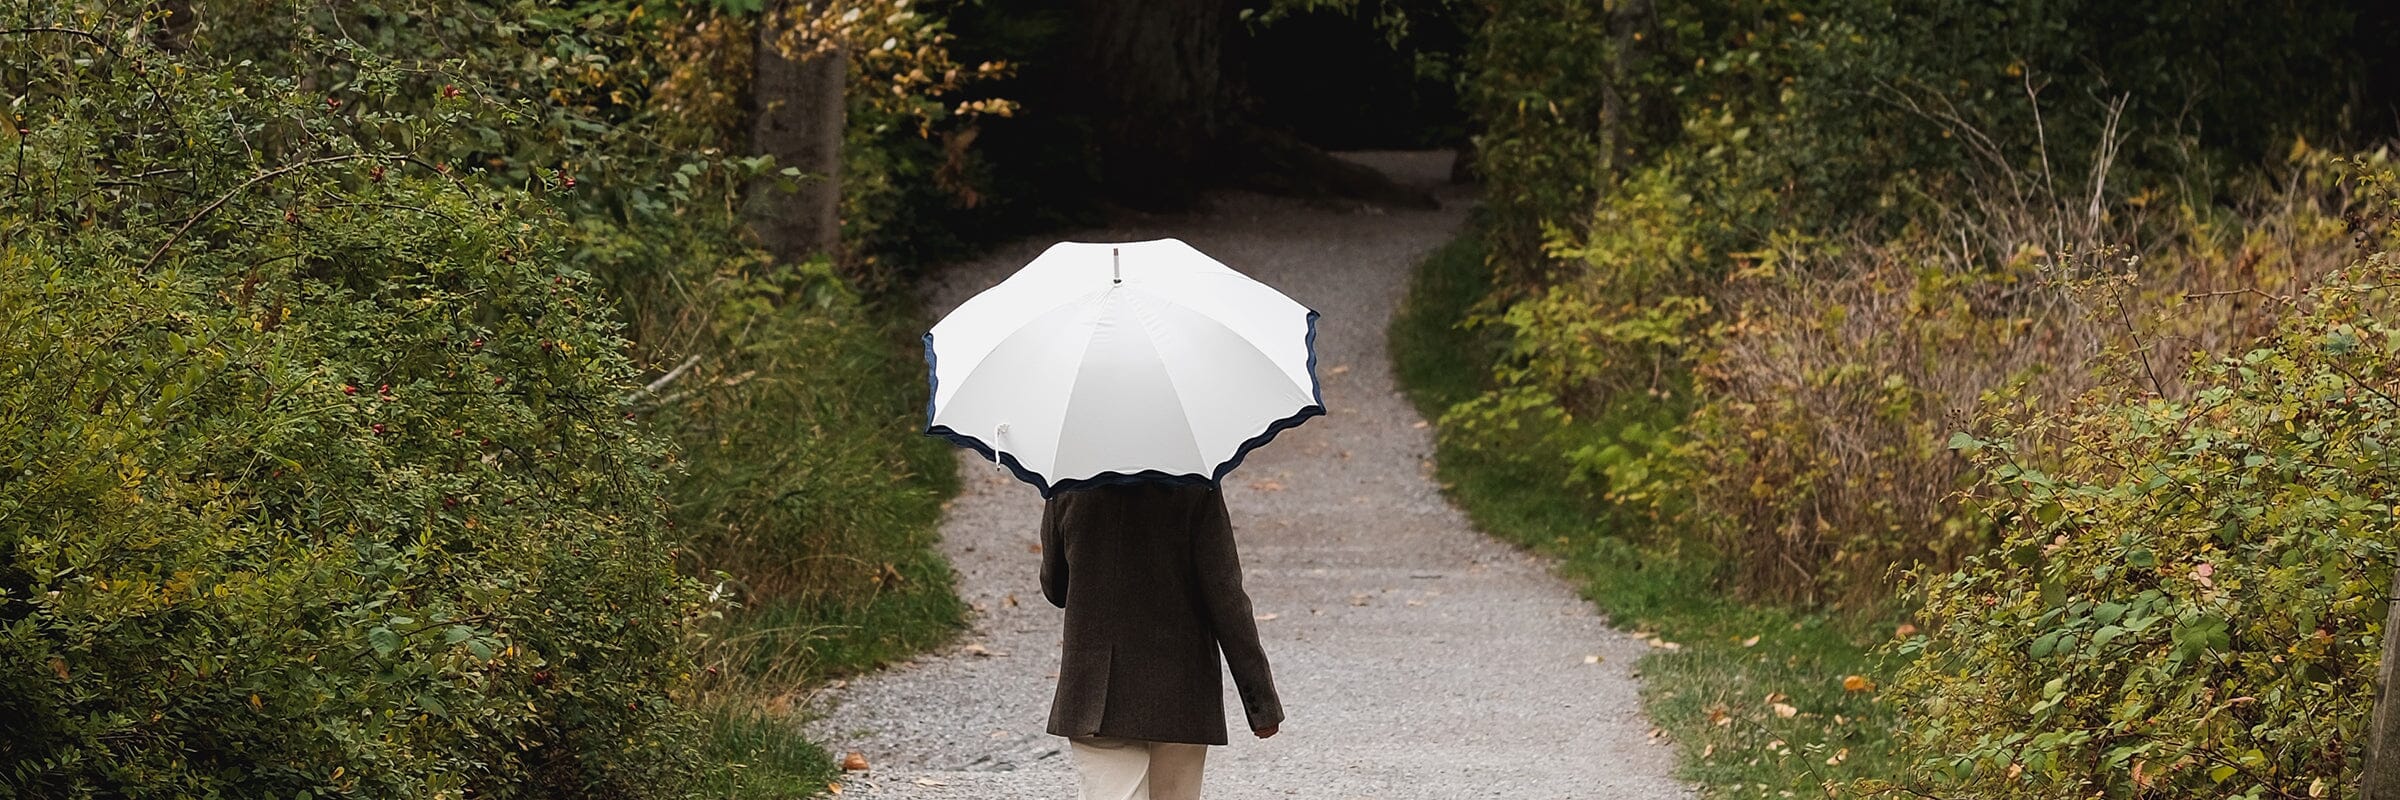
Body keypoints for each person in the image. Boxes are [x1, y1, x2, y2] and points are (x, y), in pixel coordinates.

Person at [1040, 481, 1283, 800]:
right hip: (1179, 695)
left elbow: (1057, 589)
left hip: (1097, 693)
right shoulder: (1195, 485)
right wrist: (1260, 705)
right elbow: (1226, 599)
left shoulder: (1068, 486)